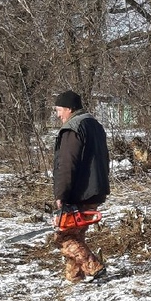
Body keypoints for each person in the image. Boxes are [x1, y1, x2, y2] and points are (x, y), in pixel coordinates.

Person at [51, 90, 111, 283]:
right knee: (77, 236)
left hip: (80, 192)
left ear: (69, 109)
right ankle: (74, 278)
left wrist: (61, 194)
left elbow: (67, 165)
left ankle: (93, 266)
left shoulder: (73, 128)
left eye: (59, 110)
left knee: (64, 238)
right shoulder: (94, 125)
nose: (58, 115)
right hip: (95, 189)